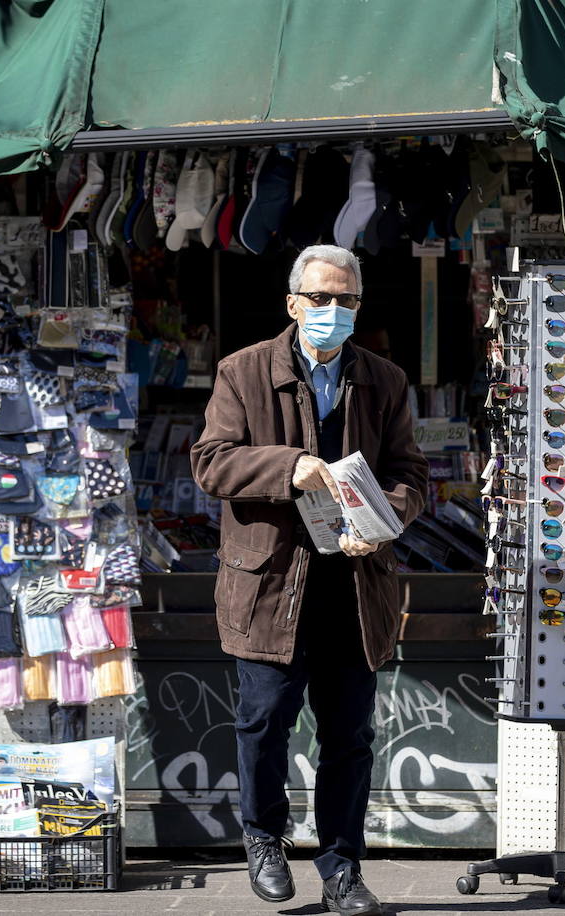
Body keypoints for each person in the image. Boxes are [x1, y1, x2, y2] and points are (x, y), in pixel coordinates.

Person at [190, 244, 428, 915]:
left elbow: (412, 476)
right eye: (320, 298)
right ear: (293, 303)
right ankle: (264, 836)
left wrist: (385, 518)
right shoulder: (244, 372)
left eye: (346, 299)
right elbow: (211, 463)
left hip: (352, 584)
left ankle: (343, 867)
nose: (333, 310)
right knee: (264, 723)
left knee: (349, 736)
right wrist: (288, 466)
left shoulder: (384, 379)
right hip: (270, 584)